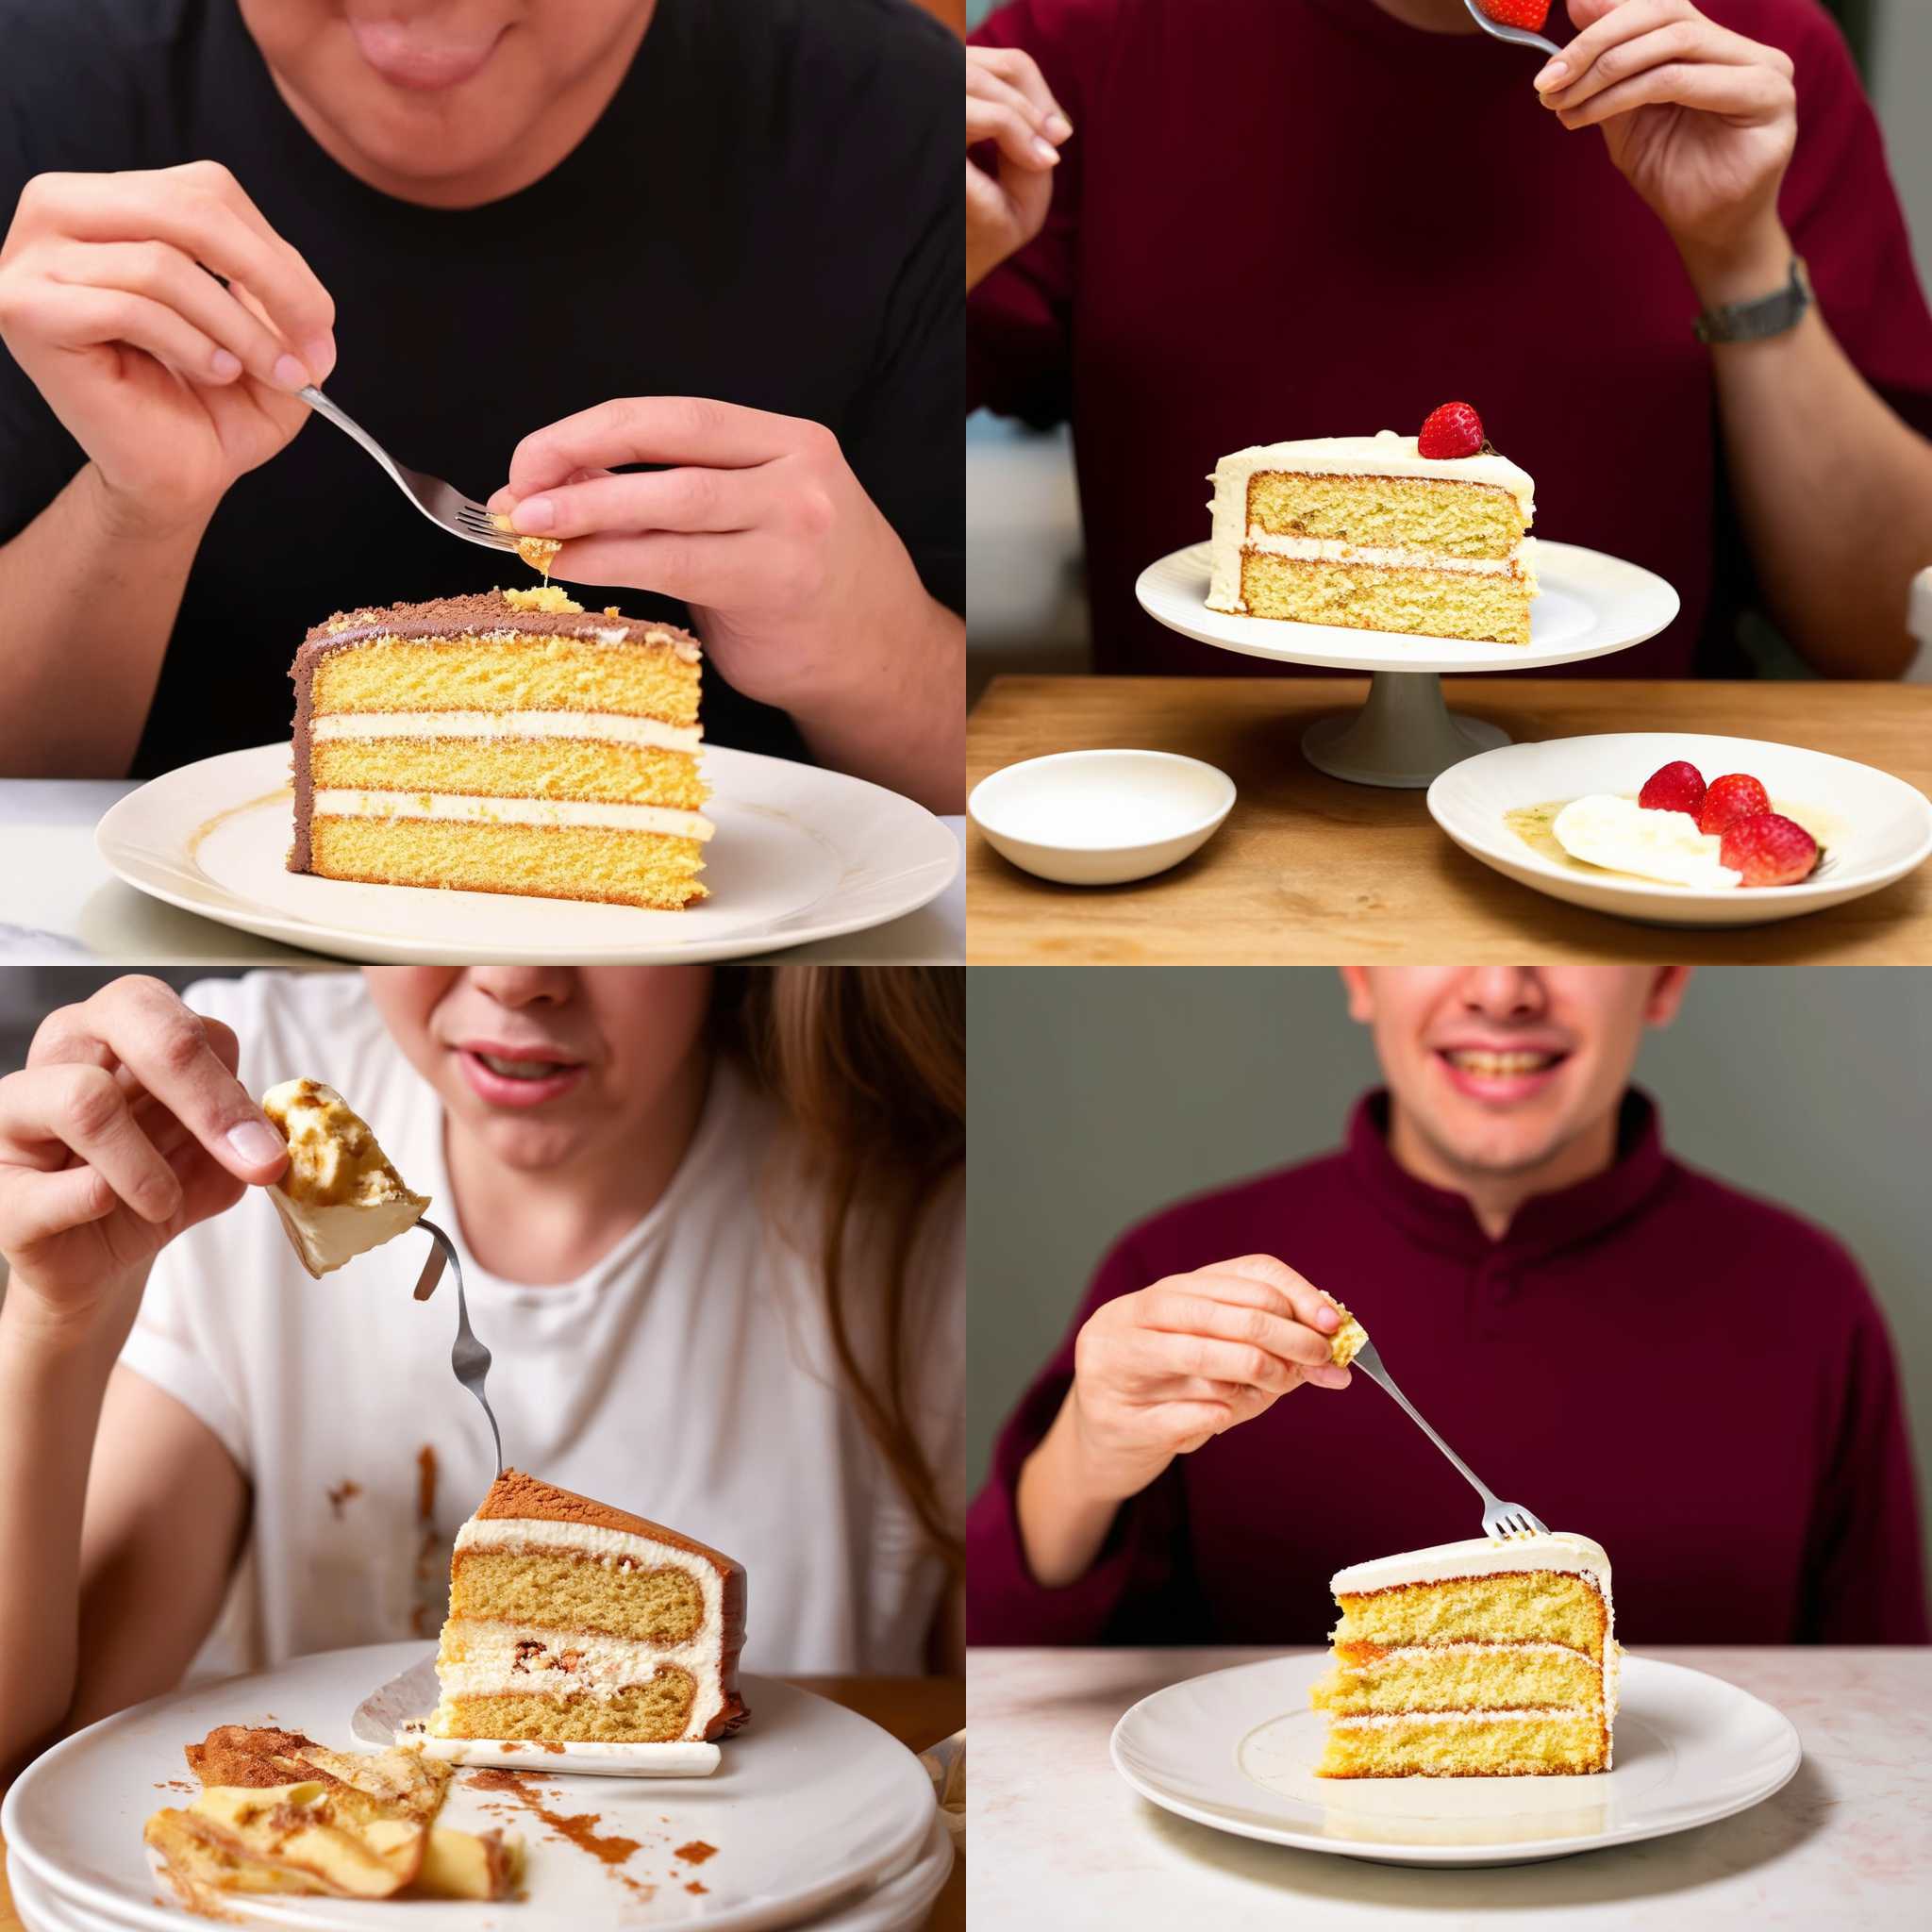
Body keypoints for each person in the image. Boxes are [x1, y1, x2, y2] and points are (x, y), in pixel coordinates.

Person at [0, 964, 963, 1779]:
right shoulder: (235, 1103)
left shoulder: (911, 1225)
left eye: (590, 909)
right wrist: (57, 1323)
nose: (513, 977)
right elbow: (50, 1743)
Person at [0, 0, 963, 809]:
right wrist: (134, 508)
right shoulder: (39, 93)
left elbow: (986, 798)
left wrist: (863, 650)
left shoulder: (897, 115)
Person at [966, 0, 1932, 680]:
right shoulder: (1078, 45)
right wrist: (921, 240)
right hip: (1202, 806)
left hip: (1621, 814)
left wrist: (1735, 251)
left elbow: (1878, 629)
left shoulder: (1749, 53)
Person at [968, 966, 1927, 1646]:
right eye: (1443, 932)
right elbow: (1003, 1663)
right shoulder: (1179, 1271)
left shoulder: (1807, 1292)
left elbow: (1883, 1706)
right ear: (1357, 971)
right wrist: (1090, 1453)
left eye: (1560, 933)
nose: (1501, 987)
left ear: (1664, 977)